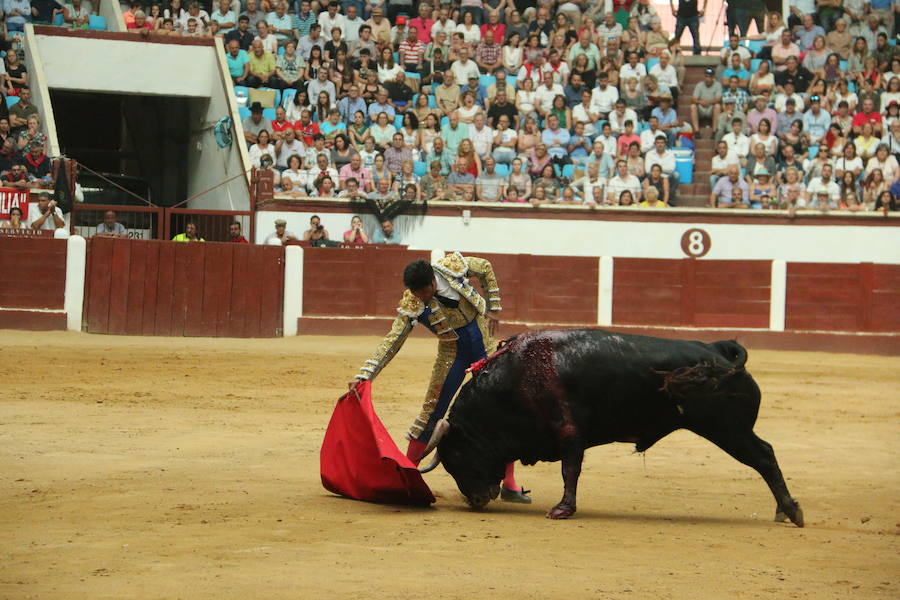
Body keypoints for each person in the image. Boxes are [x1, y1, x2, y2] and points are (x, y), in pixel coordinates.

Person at [347, 254, 529, 502]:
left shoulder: (452, 267)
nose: (420, 297)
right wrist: (366, 375)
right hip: (452, 355)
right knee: (432, 410)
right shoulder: (412, 301)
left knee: (502, 410)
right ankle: (408, 477)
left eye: (424, 291)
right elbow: (393, 341)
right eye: (416, 293)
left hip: (485, 349)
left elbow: (485, 268)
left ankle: (509, 483)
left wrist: (493, 308)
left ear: (432, 282)